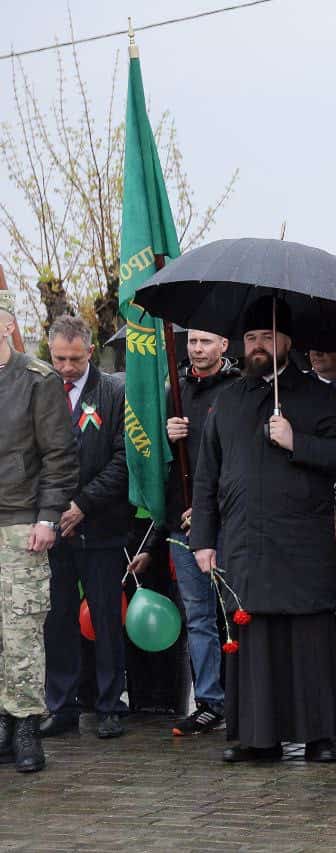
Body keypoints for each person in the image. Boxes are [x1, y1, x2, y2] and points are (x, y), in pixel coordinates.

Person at [191, 297, 336, 764]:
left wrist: (296, 441)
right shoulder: (228, 400)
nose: (258, 346)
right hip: (245, 541)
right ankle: (258, 738)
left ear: (287, 342)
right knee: (255, 639)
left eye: (267, 337)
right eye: (251, 339)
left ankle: (319, 736)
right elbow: (207, 477)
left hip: (303, 541)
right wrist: (202, 539)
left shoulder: (317, 395)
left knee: (309, 639)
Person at [40, 315, 132, 741]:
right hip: (52, 529)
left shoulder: (114, 391)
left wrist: (83, 504)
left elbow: (123, 458)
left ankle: (110, 704)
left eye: (75, 359)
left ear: (91, 352)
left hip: (102, 527)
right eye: (59, 358)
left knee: (106, 618)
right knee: (58, 620)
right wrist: (53, 510)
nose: (66, 368)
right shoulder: (42, 390)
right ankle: (62, 705)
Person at [0, 292, 77, 773]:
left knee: (22, 628)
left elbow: (59, 456)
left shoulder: (37, 379)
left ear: (6, 326)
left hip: (20, 522)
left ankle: (25, 723)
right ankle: (1, 721)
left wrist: (48, 517)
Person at [164, 329, 239, 736]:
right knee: (198, 617)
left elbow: (241, 459)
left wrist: (209, 509)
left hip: (226, 522)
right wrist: (167, 436)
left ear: (224, 345)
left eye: (206, 342)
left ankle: (243, 695)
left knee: (237, 612)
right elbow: (156, 461)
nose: (197, 349)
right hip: (183, 522)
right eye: (192, 342)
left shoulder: (238, 389)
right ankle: (210, 700)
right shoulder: (174, 391)